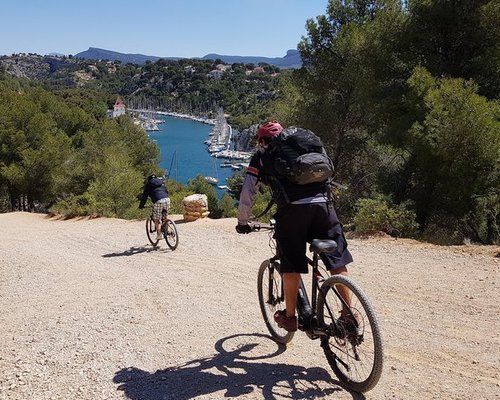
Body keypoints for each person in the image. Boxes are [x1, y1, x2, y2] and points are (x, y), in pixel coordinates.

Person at [235, 121, 353, 332]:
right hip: (325, 208)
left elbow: (248, 191)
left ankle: (290, 317)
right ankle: (349, 315)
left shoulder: (263, 155)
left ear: (262, 140)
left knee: (291, 265)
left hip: (293, 212)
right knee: (337, 261)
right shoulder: (308, 145)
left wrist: (243, 221)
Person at [139, 174, 171, 241]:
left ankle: (159, 234)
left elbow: (144, 197)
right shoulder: (162, 183)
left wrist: (141, 206)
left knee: (156, 219)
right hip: (167, 199)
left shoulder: (148, 185)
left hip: (158, 201)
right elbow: (167, 191)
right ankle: (166, 230)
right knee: (165, 215)